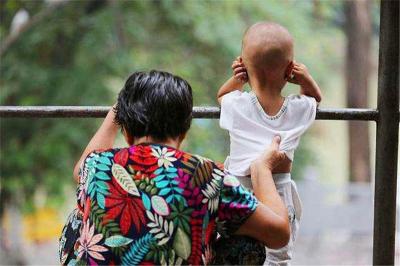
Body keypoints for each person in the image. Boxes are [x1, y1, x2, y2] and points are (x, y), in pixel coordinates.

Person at [59, 70, 290, 265]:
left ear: (126, 131)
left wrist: (119, 109)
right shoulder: (208, 175)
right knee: (249, 244)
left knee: (78, 219)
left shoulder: (96, 163)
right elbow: (279, 234)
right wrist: (262, 169)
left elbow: (81, 171)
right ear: (184, 132)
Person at [216, 22, 322, 265]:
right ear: (290, 70)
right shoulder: (297, 109)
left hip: (238, 192)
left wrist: (237, 80)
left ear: (242, 64)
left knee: (236, 252)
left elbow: (222, 96)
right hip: (279, 192)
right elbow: (315, 98)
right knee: (278, 258)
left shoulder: (237, 105)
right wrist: (305, 79)